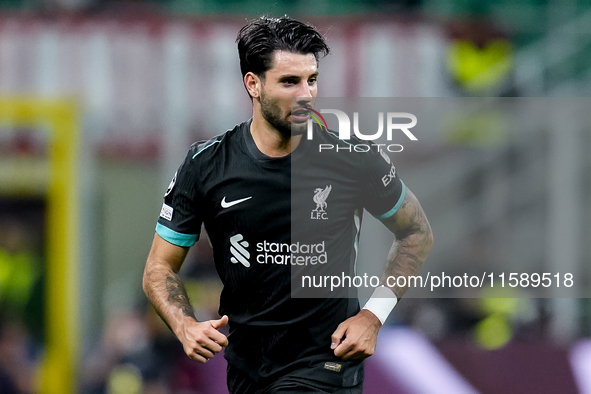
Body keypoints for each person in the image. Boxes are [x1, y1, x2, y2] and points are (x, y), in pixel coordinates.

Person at [142, 15, 433, 394]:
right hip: (247, 367)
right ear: (253, 85)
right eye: (289, 82)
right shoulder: (207, 166)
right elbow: (159, 267)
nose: (305, 94)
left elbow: (416, 233)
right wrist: (185, 325)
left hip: (325, 362)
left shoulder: (353, 160)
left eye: (311, 79)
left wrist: (373, 317)